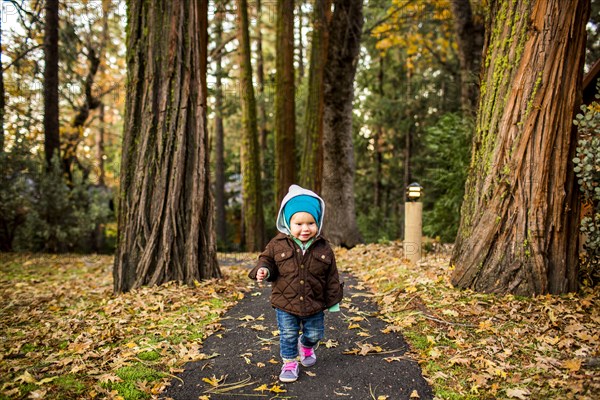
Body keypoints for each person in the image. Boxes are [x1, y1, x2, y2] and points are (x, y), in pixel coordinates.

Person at [248, 184, 343, 383]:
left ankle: (307, 346)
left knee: (315, 333)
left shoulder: (323, 247)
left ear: (318, 222)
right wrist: (262, 270)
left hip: (314, 302)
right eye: (298, 224)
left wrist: (333, 301)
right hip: (286, 302)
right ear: (287, 223)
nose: (305, 229)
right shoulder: (277, 244)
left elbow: (331, 276)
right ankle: (290, 363)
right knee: (288, 334)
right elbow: (266, 260)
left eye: (311, 223)